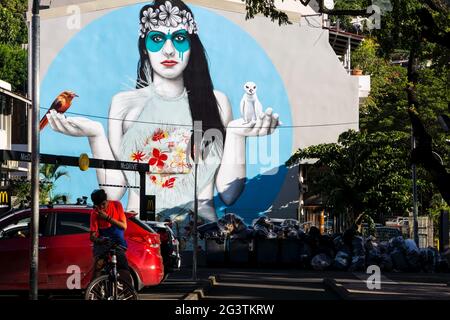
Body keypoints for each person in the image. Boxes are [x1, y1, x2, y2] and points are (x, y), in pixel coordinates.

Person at [46, 0, 280, 224]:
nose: (168, 50)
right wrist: (95, 135)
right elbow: (114, 191)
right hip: (140, 227)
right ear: (145, 47)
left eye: (179, 39)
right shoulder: (123, 104)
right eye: (157, 39)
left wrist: (237, 136)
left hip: (200, 229)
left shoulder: (216, 101)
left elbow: (229, 194)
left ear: (191, 47)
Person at [89, 189, 132, 285]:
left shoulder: (117, 205)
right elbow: (92, 237)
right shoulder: (95, 213)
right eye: (98, 206)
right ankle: (94, 290)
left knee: (123, 268)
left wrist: (107, 218)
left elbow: (123, 226)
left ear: (106, 200)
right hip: (103, 243)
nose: (101, 207)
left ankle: (128, 290)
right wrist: (99, 240)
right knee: (98, 266)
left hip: (118, 242)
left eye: (103, 204)